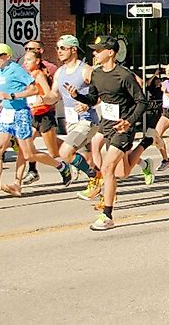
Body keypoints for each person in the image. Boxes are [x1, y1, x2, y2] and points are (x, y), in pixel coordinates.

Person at [0, 44, 71, 209]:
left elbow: (32, 90)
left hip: (21, 115)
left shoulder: (16, 69)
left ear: (7, 56)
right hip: (7, 115)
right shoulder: (2, 71)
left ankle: (61, 166)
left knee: (29, 154)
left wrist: (11, 96)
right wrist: (2, 104)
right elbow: (8, 92)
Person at [66, 36, 149, 230]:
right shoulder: (96, 74)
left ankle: (107, 215)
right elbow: (94, 99)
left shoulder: (124, 75)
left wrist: (129, 122)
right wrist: (78, 96)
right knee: (123, 172)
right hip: (106, 125)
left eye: (98, 50)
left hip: (123, 127)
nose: (94, 53)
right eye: (94, 50)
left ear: (110, 52)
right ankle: (148, 142)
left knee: (108, 168)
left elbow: (142, 101)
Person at [43, 34, 103, 200]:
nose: (59, 51)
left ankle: (95, 177)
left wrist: (88, 103)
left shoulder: (85, 70)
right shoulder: (60, 72)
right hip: (71, 122)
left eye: (63, 48)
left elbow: (102, 93)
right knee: (87, 158)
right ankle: (100, 190)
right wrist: (40, 99)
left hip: (87, 120)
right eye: (58, 48)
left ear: (73, 49)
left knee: (65, 152)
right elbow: (54, 95)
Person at [18, 50, 62, 188]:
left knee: (54, 152)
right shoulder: (28, 75)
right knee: (25, 147)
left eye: (28, 60)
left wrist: (40, 99)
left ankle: (71, 162)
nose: (25, 63)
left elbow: (49, 94)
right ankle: (27, 174)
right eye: (25, 60)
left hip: (44, 116)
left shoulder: (39, 75)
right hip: (32, 116)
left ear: (37, 61)